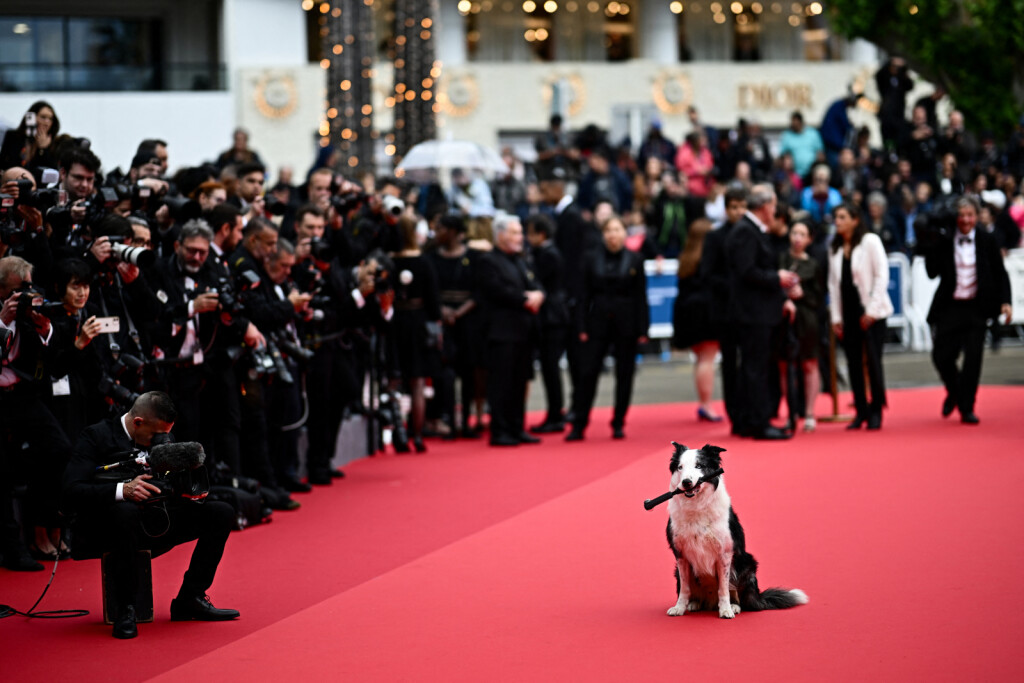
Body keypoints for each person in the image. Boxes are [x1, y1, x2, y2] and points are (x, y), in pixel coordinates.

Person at [61, 392, 239, 639]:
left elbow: (169, 483)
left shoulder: (162, 440)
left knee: (222, 512)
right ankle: (126, 609)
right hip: (110, 527)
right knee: (125, 512)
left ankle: (190, 598)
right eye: (157, 435)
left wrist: (186, 485)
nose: (162, 441)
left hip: (158, 520)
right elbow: (70, 491)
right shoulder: (96, 436)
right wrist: (123, 490)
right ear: (138, 423)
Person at [924, 196, 1012, 424]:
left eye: (969, 215)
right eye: (961, 215)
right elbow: (931, 272)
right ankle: (955, 391)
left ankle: (967, 407)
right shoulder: (945, 239)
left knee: (973, 360)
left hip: (977, 308)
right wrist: (930, 240)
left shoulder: (987, 240)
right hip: (950, 306)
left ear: (977, 216)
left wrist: (1006, 301)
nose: (965, 220)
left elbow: (1000, 272)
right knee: (941, 356)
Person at [725, 184, 800, 440]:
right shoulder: (746, 231)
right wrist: (776, 277)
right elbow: (748, 271)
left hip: (756, 311)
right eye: (774, 204)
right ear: (765, 206)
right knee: (755, 368)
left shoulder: (749, 230)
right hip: (752, 312)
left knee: (752, 367)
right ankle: (758, 422)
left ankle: (748, 420)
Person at [565, 214, 649, 441]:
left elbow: (641, 296)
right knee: (587, 374)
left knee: (625, 375)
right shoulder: (590, 258)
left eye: (617, 230)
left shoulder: (635, 259)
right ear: (603, 234)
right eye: (609, 230)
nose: (613, 235)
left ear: (625, 233)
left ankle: (619, 422)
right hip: (597, 323)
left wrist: (643, 328)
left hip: (627, 323)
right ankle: (579, 423)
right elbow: (583, 296)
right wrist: (581, 325)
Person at [476, 214, 544, 447]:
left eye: (520, 233)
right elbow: (497, 291)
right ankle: (500, 430)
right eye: (515, 233)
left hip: (524, 331)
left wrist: (538, 295)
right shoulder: (488, 261)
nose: (520, 237)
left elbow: (535, 283)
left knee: (519, 382)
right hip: (501, 333)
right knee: (501, 384)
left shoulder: (521, 260)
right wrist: (526, 298)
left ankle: (517, 427)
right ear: (501, 234)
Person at [828, 203, 894, 430]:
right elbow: (833, 286)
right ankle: (861, 410)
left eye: (842, 217)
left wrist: (872, 312)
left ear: (855, 220)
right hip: (848, 313)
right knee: (853, 362)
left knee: (874, 362)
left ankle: (876, 409)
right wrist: (836, 318)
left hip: (872, 312)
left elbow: (882, 275)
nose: (837, 221)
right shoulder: (834, 248)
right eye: (836, 217)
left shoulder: (870, 241)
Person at [390, 215, 442, 452]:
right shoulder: (424, 262)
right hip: (418, 321)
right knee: (418, 382)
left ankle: (398, 434)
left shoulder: (389, 262)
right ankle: (417, 435)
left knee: (394, 380)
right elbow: (434, 301)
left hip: (394, 321)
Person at [670, 218, 721, 422]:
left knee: (700, 358)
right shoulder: (709, 260)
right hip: (706, 312)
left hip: (686, 312)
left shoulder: (686, 258)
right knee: (707, 359)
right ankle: (706, 404)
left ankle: (704, 402)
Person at [525, 213, 570, 433]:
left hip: (552, 318)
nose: (526, 237)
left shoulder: (547, 255)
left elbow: (538, 282)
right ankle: (555, 413)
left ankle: (555, 415)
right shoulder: (547, 252)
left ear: (540, 234)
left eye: (530, 233)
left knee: (550, 368)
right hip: (553, 316)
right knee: (550, 368)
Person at [776, 222, 822, 432]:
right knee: (785, 366)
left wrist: (803, 294)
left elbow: (820, 297)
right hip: (783, 318)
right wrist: (784, 298)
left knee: (809, 364)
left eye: (802, 234)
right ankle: (791, 412)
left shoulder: (814, 264)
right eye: (794, 232)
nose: (797, 237)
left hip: (807, 319)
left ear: (809, 239)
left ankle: (810, 413)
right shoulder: (780, 259)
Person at [0, 101, 60, 172]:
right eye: (43, 117)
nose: (47, 122)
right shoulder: (13, 136)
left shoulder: (55, 143)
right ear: (31, 118)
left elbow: (51, 172)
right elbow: (3, 164)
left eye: (50, 119)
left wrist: (43, 150)